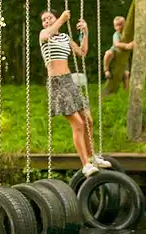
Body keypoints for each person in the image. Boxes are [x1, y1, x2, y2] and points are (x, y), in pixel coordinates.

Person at [40, 9, 111, 177]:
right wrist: (62, 20)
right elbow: (47, 33)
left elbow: (82, 52)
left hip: (69, 81)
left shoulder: (64, 37)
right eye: (44, 20)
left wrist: (85, 32)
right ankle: (85, 164)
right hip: (56, 84)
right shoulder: (45, 35)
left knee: (88, 120)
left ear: (55, 18)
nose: (47, 21)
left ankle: (93, 156)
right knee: (77, 124)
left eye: (50, 17)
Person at [102, 16, 135, 87]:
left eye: (121, 24)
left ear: (125, 24)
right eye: (117, 25)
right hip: (115, 53)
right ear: (114, 27)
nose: (119, 27)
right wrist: (127, 45)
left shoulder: (128, 34)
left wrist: (132, 44)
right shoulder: (116, 34)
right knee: (108, 53)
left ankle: (126, 92)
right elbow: (116, 44)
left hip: (123, 56)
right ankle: (106, 70)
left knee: (126, 74)